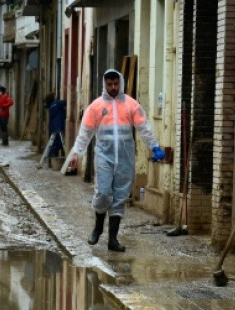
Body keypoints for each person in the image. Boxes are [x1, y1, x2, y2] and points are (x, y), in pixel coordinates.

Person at [66, 69, 165, 252]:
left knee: (120, 196)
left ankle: (113, 239)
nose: (113, 87)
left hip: (125, 155)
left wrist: (155, 147)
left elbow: (144, 127)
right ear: (105, 85)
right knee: (103, 192)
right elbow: (85, 132)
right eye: (109, 84)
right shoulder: (95, 107)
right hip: (104, 154)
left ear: (120, 83)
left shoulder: (131, 105)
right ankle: (97, 227)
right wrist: (76, 153)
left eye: (115, 84)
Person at [44, 92, 67, 160]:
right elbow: (66, 102)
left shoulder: (51, 106)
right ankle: (54, 159)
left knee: (54, 143)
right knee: (59, 143)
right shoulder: (57, 103)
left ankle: (51, 160)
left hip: (53, 127)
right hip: (59, 126)